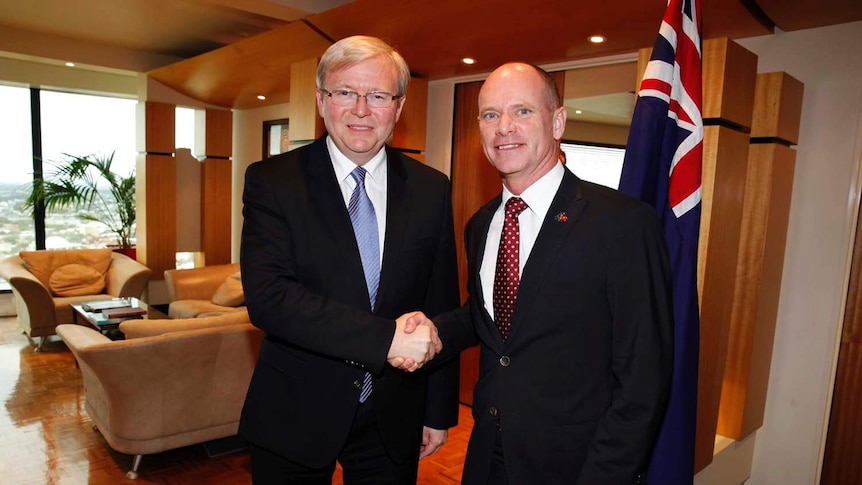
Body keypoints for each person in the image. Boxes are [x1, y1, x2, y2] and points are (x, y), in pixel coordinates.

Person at [406, 62, 674, 484]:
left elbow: (644, 377)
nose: (504, 127)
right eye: (491, 115)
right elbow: (489, 318)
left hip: (578, 465)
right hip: (487, 455)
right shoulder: (480, 224)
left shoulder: (622, 223)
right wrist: (433, 330)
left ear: (558, 122)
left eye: (523, 111)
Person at [238, 35, 461, 484]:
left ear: (398, 108)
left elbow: (441, 304)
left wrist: (438, 411)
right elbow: (270, 298)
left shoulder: (431, 189)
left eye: (378, 95)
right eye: (345, 93)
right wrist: (385, 340)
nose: (361, 110)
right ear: (322, 101)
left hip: (394, 418)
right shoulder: (272, 181)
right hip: (295, 414)